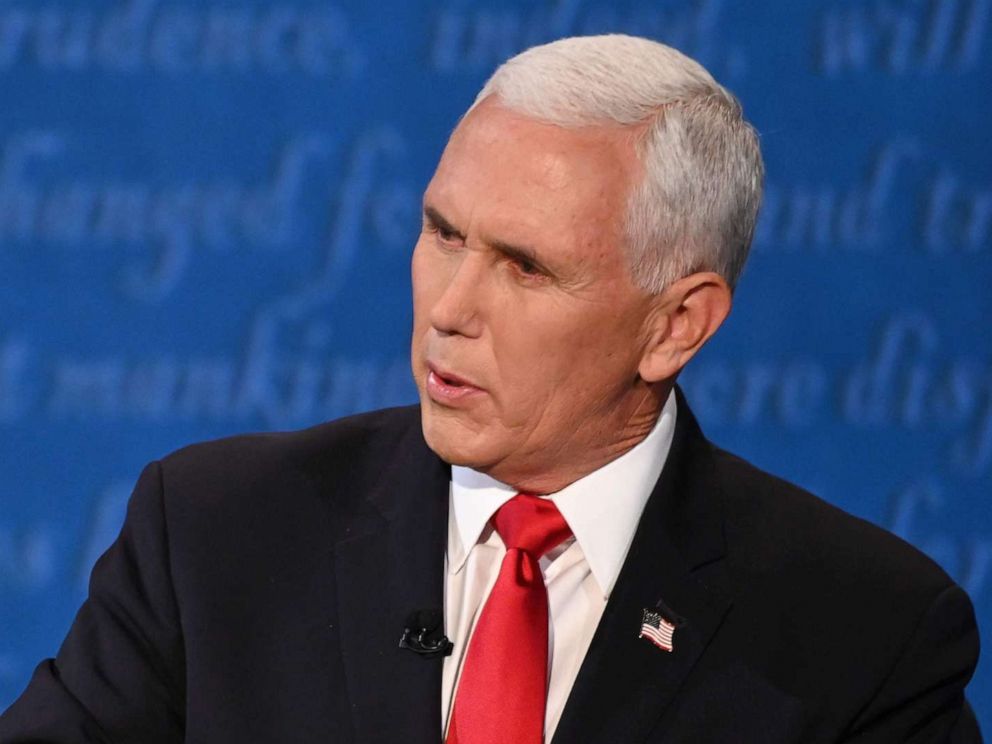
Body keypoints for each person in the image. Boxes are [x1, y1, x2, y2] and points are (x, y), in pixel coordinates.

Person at [0, 34, 980, 744]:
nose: (448, 309)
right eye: (442, 233)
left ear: (674, 325)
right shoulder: (214, 535)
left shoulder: (865, 635)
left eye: (523, 267)